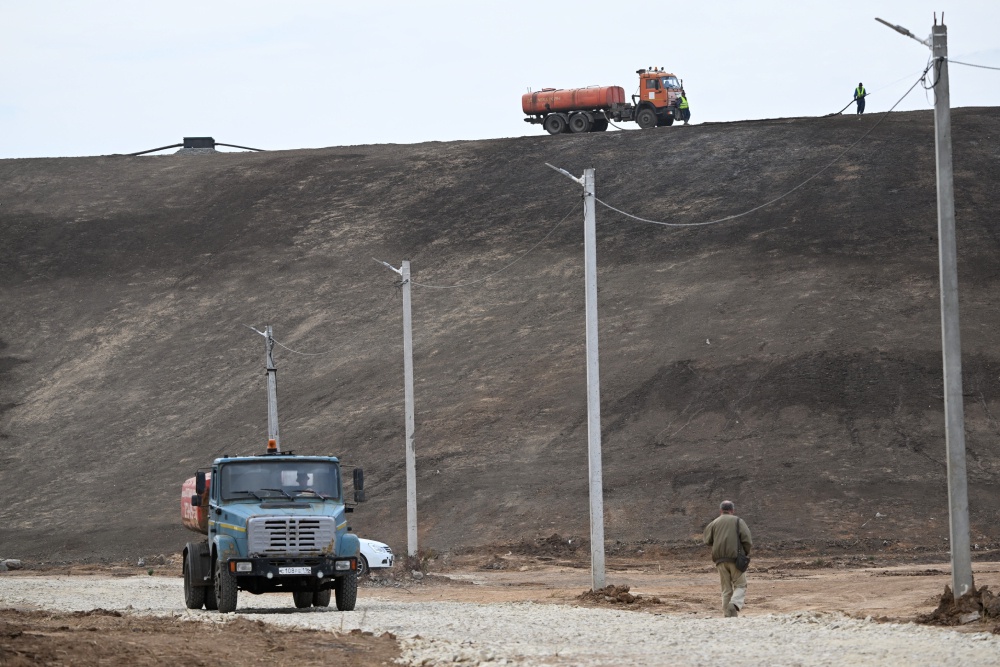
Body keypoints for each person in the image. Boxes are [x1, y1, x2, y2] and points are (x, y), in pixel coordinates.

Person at [703, 500, 752, 617]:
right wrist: (745, 554)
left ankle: (728, 616)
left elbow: (707, 540)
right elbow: (747, 540)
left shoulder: (713, 523)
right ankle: (734, 603)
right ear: (732, 510)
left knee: (726, 590)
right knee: (740, 585)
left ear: (720, 510)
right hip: (735, 559)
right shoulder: (738, 521)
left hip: (719, 560)